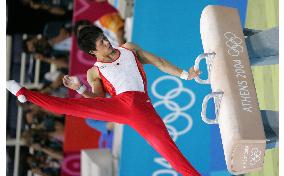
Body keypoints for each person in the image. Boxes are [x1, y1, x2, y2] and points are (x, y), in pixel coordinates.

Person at [7, 25, 201, 176]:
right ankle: (25, 93)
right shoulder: (95, 72)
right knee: (72, 107)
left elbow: (159, 62)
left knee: (171, 153)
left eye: (105, 39)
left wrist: (185, 75)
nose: (107, 43)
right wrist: (80, 89)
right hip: (120, 105)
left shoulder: (129, 49)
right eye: (102, 43)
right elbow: (98, 101)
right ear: (92, 51)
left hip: (142, 108)